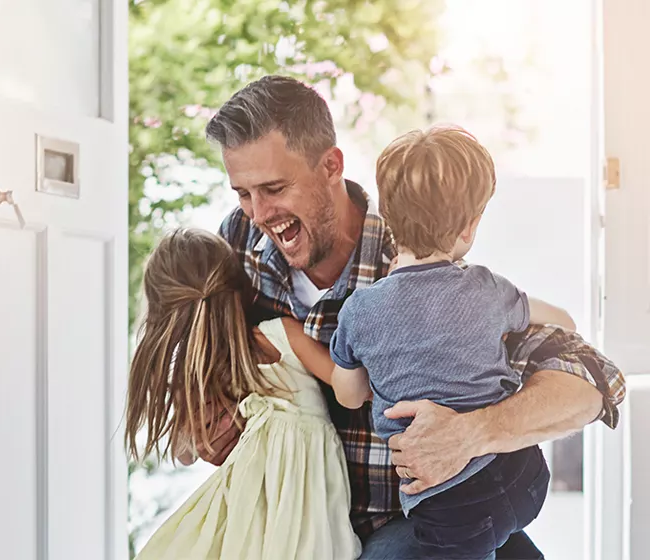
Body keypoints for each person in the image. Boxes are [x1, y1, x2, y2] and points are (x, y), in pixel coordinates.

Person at [201, 75, 625, 558]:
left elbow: (593, 381)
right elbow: (193, 363)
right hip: (296, 528)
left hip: (415, 524)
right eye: (243, 193)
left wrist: (474, 431)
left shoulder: (426, 263)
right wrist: (202, 423)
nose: (258, 212)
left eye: (274, 188)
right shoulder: (237, 246)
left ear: (331, 166)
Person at [328, 125, 574, 558]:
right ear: (469, 228)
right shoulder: (487, 288)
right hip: (524, 480)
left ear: (385, 216)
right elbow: (563, 322)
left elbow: (349, 396)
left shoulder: (359, 311)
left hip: (450, 513)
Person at [126, 228, 361, 559]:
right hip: (304, 523)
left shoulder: (204, 379)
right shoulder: (281, 337)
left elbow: (185, 453)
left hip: (245, 525)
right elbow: (348, 385)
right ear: (245, 291)